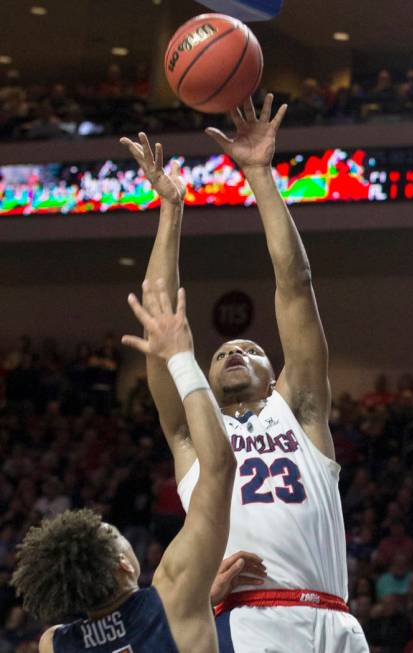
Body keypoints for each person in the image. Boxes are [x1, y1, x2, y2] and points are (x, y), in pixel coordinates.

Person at [120, 94, 369, 652]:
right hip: (252, 621)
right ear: (201, 379)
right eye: (221, 353)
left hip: (336, 620)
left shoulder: (301, 409)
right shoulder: (192, 435)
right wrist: (171, 211)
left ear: (275, 370)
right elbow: (160, 320)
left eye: (250, 349)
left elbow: (296, 284)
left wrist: (259, 175)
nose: (233, 352)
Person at [11, 281, 244, 653]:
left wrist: (198, 595)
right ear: (124, 564)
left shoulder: (53, 643)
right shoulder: (172, 594)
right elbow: (219, 464)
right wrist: (181, 357)